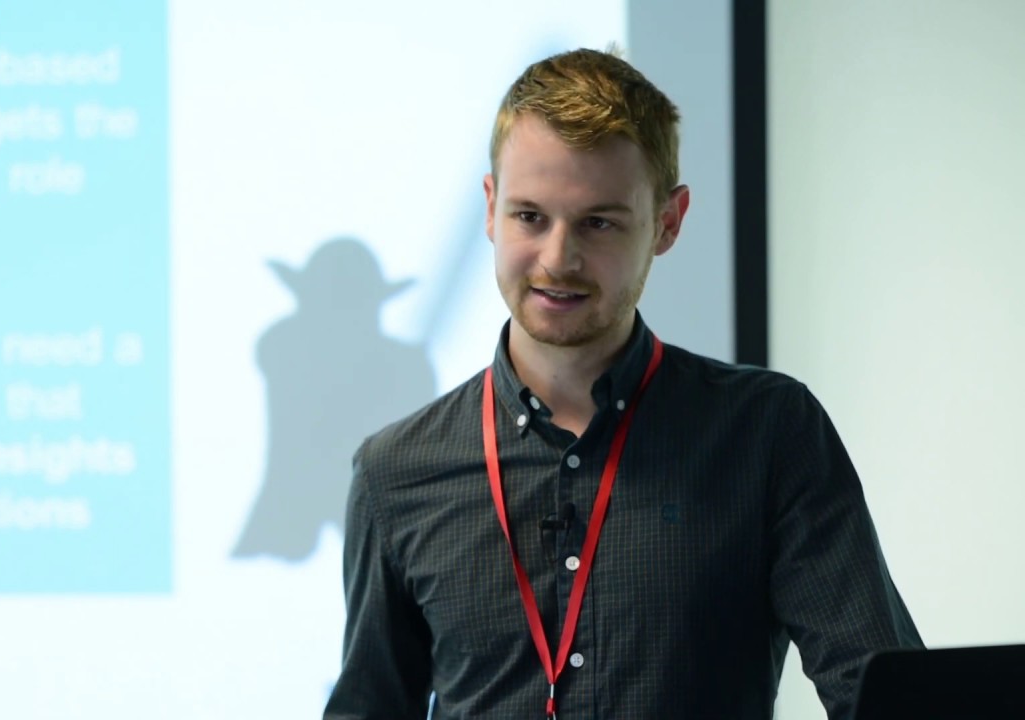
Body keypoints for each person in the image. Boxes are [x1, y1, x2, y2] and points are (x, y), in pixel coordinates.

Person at [323, 48, 922, 719]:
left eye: (598, 222)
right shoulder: (395, 473)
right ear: (491, 208)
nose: (558, 259)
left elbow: (886, 696)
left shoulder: (768, 434)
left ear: (668, 222)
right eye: (530, 217)